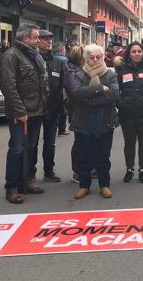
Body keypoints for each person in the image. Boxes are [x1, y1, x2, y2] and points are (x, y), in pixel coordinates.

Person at [0, 24, 48, 204]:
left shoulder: (34, 55)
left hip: (37, 110)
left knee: (31, 148)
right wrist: (20, 111)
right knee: (17, 149)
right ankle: (11, 187)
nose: (38, 41)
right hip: (21, 113)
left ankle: (26, 181)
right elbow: (8, 87)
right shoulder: (10, 56)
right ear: (25, 38)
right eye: (36, 38)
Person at [68, 44, 120, 199]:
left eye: (99, 57)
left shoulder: (110, 74)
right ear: (86, 59)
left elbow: (114, 94)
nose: (96, 60)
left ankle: (104, 185)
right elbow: (77, 93)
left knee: (103, 156)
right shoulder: (79, 74)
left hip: (105, 120)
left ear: (103, 57)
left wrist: (91, 96)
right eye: (92, 57)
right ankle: (84, 186)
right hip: (83, 121)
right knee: (84, 156)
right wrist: (100, 89)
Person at [114, 42, 143, 184]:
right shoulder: (121, 69)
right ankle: (129, 169)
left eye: (139, 51)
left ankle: (142, 169)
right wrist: (119, 103)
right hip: (126, 112)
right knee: (129, 143)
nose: (136, 54)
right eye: (133, 51)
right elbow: (115, 87)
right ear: (129, 53)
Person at [29, 30, 66, 183]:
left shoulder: (58, 62)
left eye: (50, 39)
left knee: (50, 143)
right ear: (38, 41)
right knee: (32, 143)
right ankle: (30, 173)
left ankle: (49, 170)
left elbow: (63, 84)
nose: (48, 41)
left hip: (53, 108)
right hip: (35, 108)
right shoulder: (30, 59)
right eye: (44, 39)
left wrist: (63, 105)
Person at [63, 45, 84, 183]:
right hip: (77, 110)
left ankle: (85, 167)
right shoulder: (72, 72)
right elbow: (75, 92)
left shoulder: (76, 70)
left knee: (85, 140)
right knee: (80, 141)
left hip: (79, 110)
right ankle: (77, 171)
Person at [53, 42, 69, 136]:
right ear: (61, 50)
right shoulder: (64, 60)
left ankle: (53, 130)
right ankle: (61, 129)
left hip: (53, 88)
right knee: (63, 109)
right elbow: (66, 75)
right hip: (62, 88)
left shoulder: (49, 58)